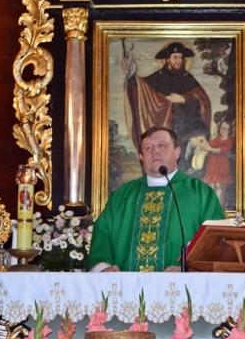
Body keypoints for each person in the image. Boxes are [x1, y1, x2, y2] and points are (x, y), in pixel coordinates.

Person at [87, 126, 224, 272]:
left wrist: (189, 270)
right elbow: (102, 232)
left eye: (162, 145)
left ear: (177, 153)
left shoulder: (201, 193)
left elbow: (217, 240)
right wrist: (104, 268)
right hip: (127, 285)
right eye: (148, 147)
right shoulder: (122, 195)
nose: (155, 151)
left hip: (180, 285)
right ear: (141, 157)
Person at [123, 42, 212, 169]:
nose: (178, 60)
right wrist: (131, 75)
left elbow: (203, 100)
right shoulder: (158, 77)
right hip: (167, 126)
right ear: (167, 59)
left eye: (180, 57)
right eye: (175, 57)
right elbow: (141, 88)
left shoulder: (188, 78)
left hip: (186, 128)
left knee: (186, 161)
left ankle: (196, 150)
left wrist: (183, 99)